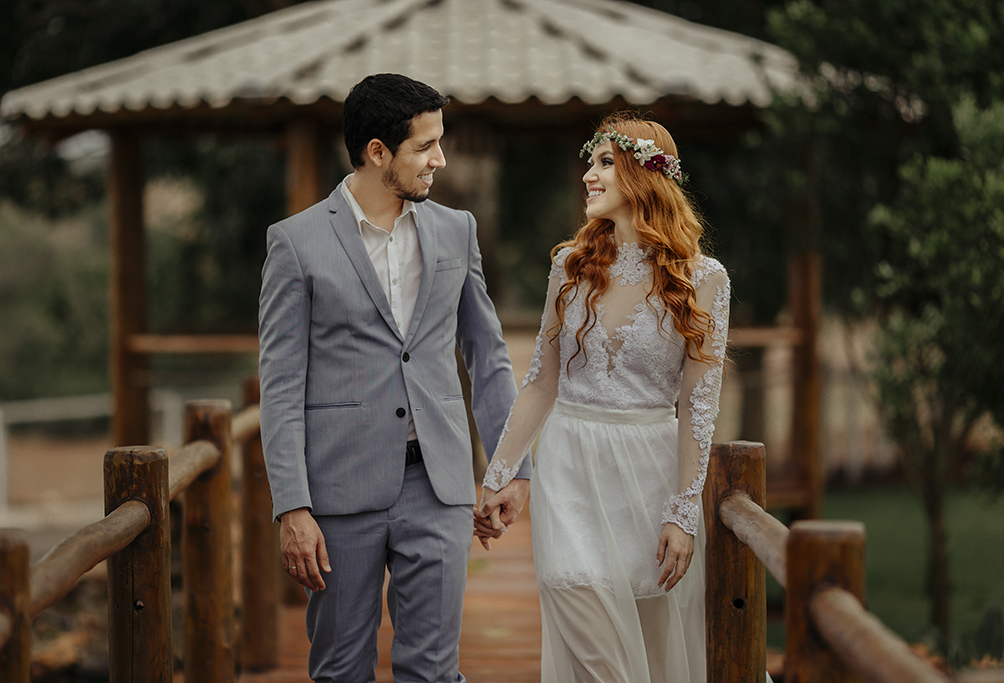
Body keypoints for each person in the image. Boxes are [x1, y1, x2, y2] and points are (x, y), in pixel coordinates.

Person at [258, 73, 530, 683]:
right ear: (378, 151)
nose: (440, 158)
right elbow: (280, 385)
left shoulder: (456, 230)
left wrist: (511, 467)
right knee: (340, 670)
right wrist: (292, 506)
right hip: (337, 493)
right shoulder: (295, 243)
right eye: (425, 146)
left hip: (438, 487)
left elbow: (487, 355)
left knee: (432, 671)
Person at [475, 112, 729, 683]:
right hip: (570, 466)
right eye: (590, 163)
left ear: (645, 174)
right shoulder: (570, 266)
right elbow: (541, 381)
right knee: (588, 633)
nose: (589, 175)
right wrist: (499, 474)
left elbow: (698, 407)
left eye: (605, 163)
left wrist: (683, 514)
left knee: (656, 658)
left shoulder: (705, 279)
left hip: (650, 476)